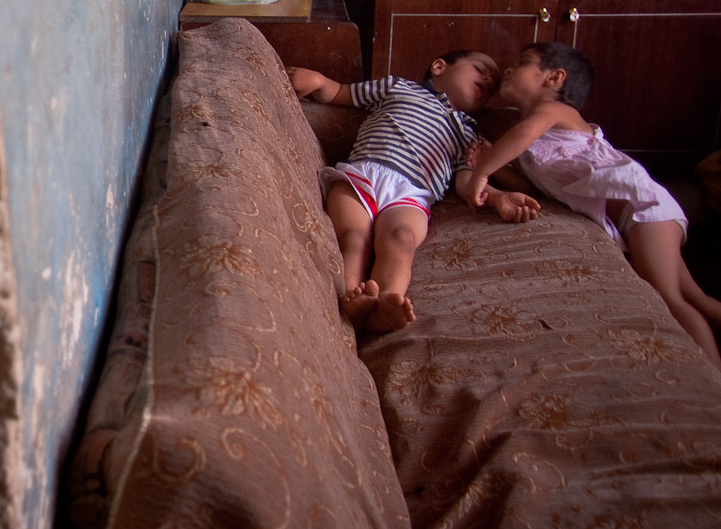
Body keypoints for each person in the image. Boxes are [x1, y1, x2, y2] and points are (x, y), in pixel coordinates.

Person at [462, 42, 721, 369]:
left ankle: (714, 382)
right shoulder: (533, 144)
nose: (509, 69)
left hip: (643, 209)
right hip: (637, 217)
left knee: (669, 298)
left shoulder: (554, 112)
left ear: (554, 78)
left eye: (523, 62)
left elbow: (524, 132)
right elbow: (532, 188)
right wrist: (494, 165)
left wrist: (480, 175)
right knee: (695, 298)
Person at [289, 51, 540, 332]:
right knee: (354, 237)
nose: (487, 81)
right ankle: (352, 301)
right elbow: (340, 93)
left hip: (413, 194)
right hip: (362, 175)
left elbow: (467, 182)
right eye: (480, 69)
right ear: (439, 67)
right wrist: (318, 80)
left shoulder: (468, 132)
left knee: (402, 240)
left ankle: (384, 304)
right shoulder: (398, 87)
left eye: (492, 86)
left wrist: (497, 197)